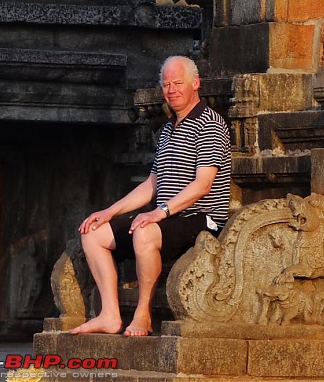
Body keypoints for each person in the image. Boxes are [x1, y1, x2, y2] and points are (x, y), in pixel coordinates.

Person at [69, 55, 231, 336]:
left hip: (201, 220)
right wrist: (109, 212)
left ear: (196, 83)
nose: (172, 89)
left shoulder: (210, 123)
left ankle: (142, 315)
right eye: (166, 84)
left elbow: (203, 184)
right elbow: (152, 183)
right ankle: (109, 315)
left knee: (144, 232)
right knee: (93, 233)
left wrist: (159, 213)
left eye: (178, 82)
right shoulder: (169, 128)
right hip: (166, 220)